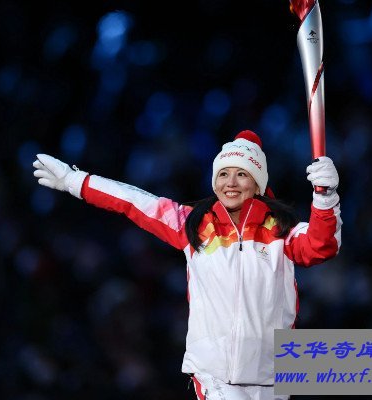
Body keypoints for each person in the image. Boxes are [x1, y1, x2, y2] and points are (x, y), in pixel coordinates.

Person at [32, 130, 341, 400]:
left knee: (357, 363)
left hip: (270, 374)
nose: (231, 183)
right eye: (223, 174)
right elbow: (131, 201)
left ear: (258, 183)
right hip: (215, 373)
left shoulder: (282, 231)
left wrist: (325, 198)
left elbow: (321, 245)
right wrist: (75, 181)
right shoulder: (193, 225)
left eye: (242, 174)